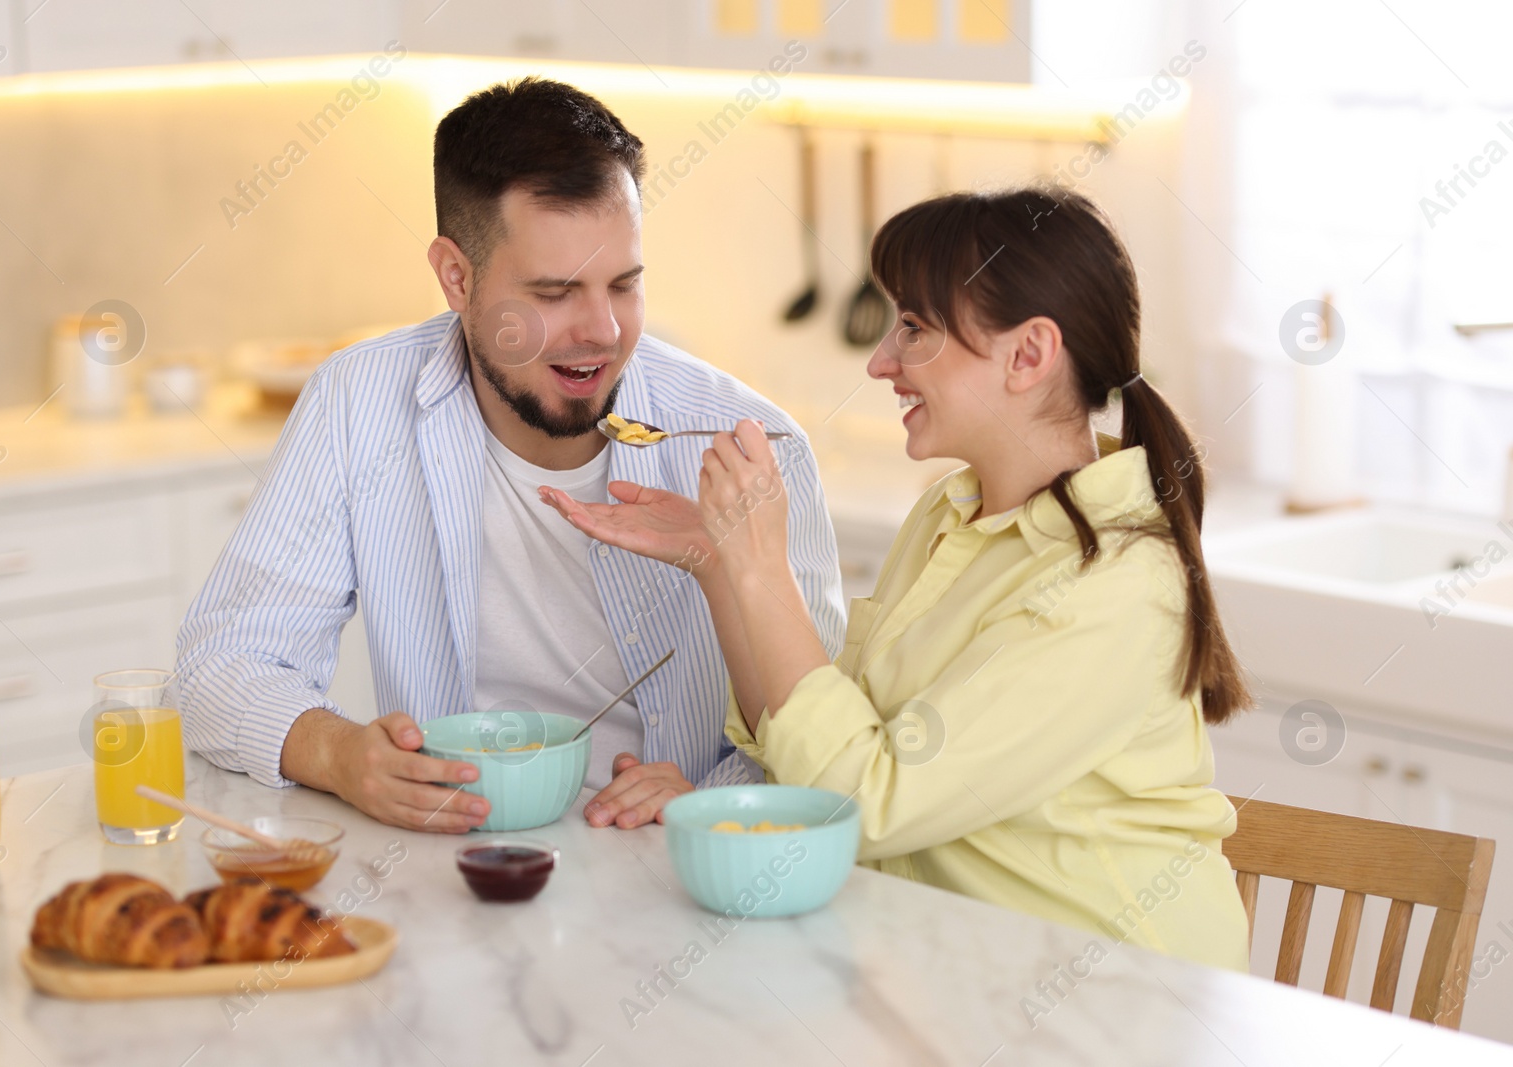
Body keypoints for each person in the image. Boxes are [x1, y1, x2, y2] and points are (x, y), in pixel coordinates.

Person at [545, 187, 1253, 969]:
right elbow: (823, 746)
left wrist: (761, 570)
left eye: (914, 328)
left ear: (1029, 354)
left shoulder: (1118, 584)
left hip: (1117, 1003)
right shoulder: (950, 515)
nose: (882, 360)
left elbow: (864, 800)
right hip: (953, 969)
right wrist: (722, 568)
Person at [175, 78, 845, 834]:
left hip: (680, 874)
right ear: (457, 277)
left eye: (623, 285)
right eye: (556, 292)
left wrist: (717, 795)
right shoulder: (356, 404)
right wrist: (337, 753)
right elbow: (218, 665)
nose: (601, 330)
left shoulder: (750, 442)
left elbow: (831, 741)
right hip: (455, 871)